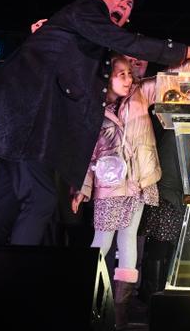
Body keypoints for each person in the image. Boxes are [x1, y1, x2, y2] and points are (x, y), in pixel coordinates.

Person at [0, 0, 190, 245]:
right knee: (40, 200)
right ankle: (12, 284)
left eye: (129, 5)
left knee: (7, 202)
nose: (124, 6)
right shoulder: (87, 9)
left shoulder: (93, 48)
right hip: (24, 118)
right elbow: (130, 44)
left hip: (19, 120)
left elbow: (86, 105)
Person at [71, 53, 161, 330]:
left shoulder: (140, 94)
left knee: (128, 239)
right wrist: (83, 188)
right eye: (120, 73)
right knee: (102, 241)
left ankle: (121, 308)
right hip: (110, 185)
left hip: (139, 180)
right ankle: (89, 298)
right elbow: (86, 154)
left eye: (129, 72)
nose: (128, 77)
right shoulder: (93, 109)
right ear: (106, 77)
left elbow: (167, 80)